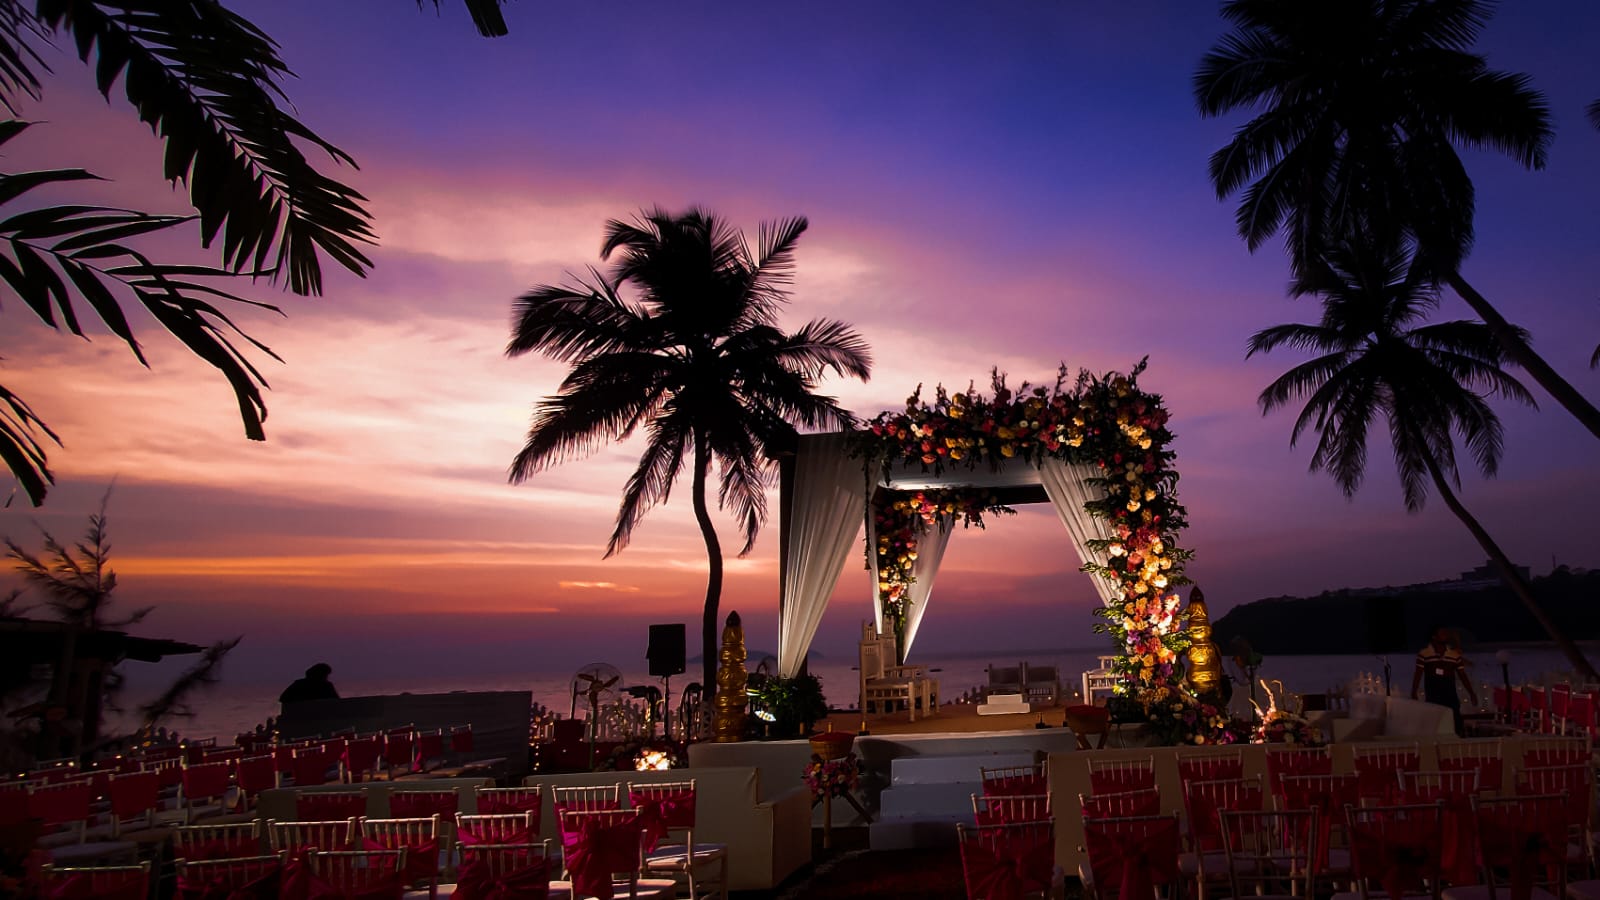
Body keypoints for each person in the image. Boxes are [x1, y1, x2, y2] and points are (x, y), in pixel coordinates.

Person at [1411, 626, 1477, 735]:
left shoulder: (1454, 655)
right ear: (1434, 637)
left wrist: (1471, 693)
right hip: (1433, 694)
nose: (1446, 636)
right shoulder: (1424, 654)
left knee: (1455, 718)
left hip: (1450, 694)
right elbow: (1418, 674)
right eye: (1442, 634)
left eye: (1446, 633)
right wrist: (1414, 691)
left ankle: (1458, 739)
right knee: (1435, 720)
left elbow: (1462, 675)